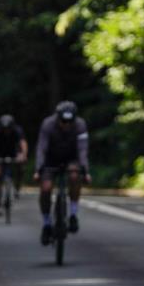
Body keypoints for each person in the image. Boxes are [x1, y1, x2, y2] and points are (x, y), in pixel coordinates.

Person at [33, 101, 91, 245]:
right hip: (50, 159)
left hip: (71, 158)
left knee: (74, 176)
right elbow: (42, 147)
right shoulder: (48, 124)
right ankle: (46, 223)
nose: (66, 125)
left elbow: (83, 149)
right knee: (46, 188)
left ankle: (72, 213)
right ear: (57, 118)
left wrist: (85, 169)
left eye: (69, 122)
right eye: (63, 122)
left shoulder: (80, 125)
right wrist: (38, 168)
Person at [0, 115, 28, 215]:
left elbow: (23, 143)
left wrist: (23, 154)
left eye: (8, 129)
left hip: (14, 152)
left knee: (21, 166)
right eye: (4, 129)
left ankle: (17, 188)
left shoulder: (17, 130)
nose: (6, 131)